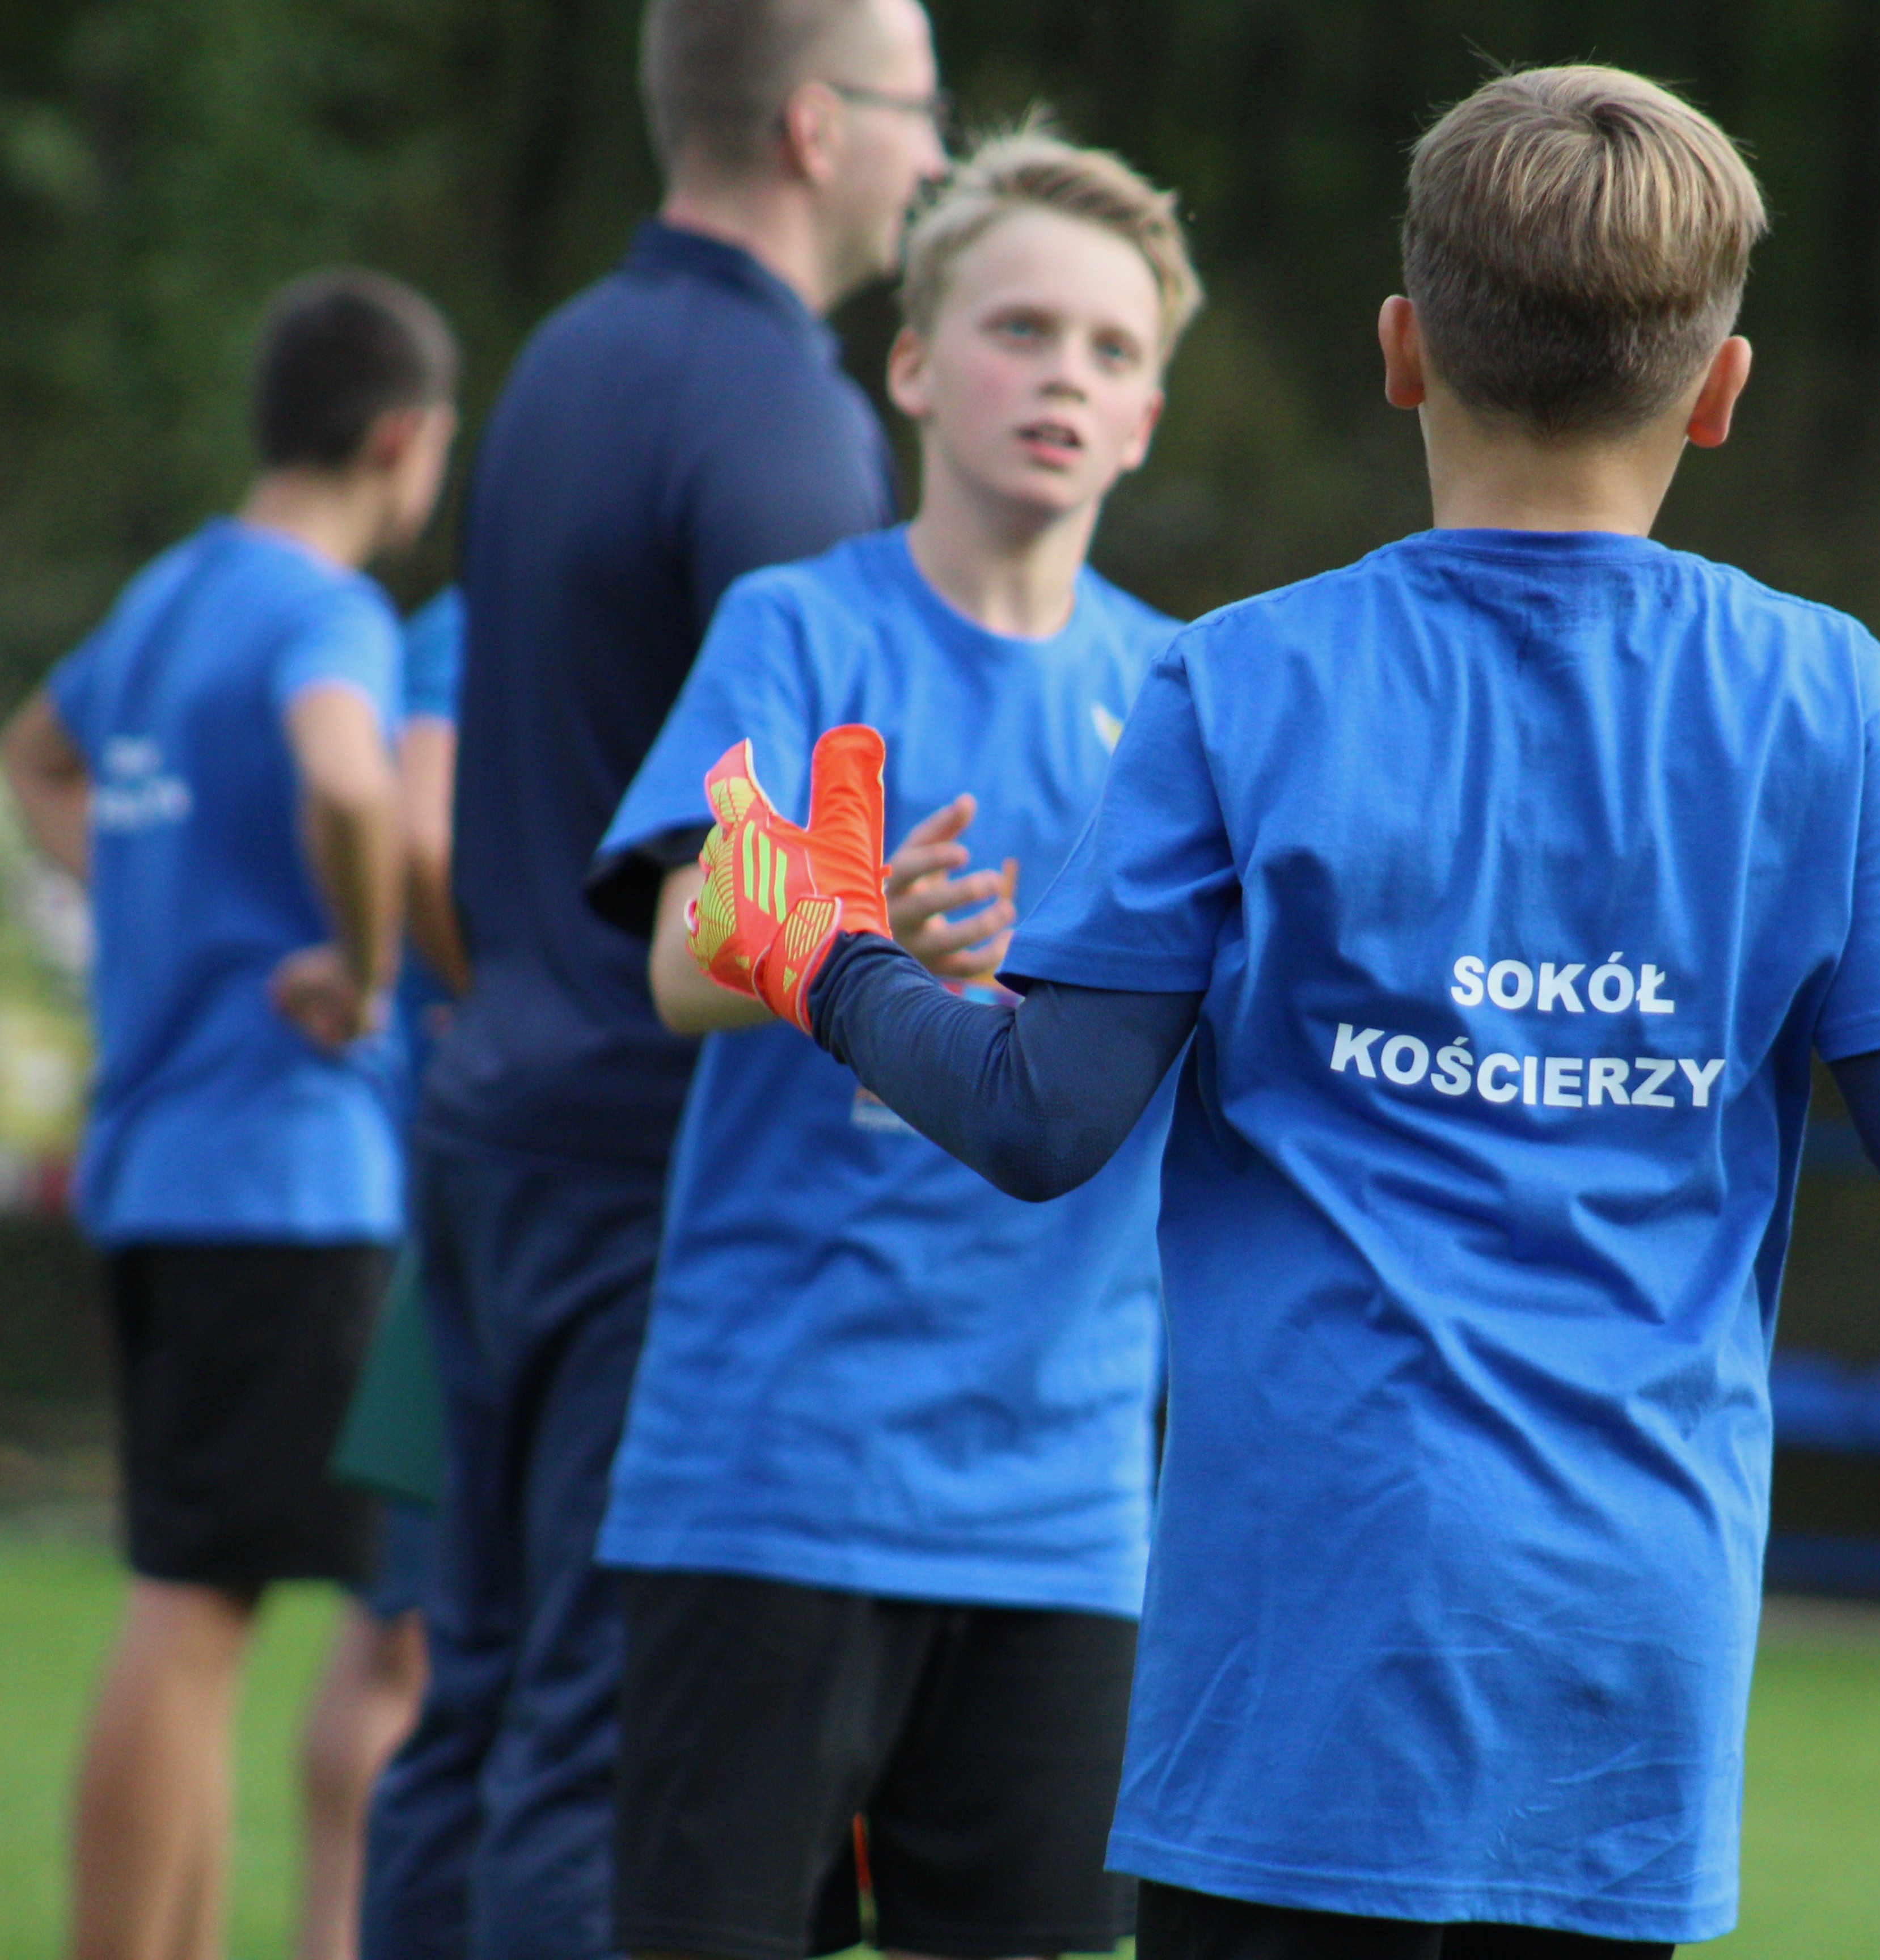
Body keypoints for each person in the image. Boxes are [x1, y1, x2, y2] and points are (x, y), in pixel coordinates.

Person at [681, 66, 1880, 1960]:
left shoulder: (1239, 681)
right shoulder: (1828, 699)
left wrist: (823, 955)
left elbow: (1035, 1114)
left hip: (1299, 1632)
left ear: (1402, 351)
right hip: (1621, 1648)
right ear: (1719, 391)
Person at [360, 0, 949, 1953]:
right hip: (643, 1165)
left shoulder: (567, 356)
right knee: (591, 1735)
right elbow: (799, 856)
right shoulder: (782, 415)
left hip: (488, 1119)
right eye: (915, 107)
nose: (935, 154)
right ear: (808, 126)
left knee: (469, 1697)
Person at [584, 129, 1201, 1960]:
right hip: (774, 1467)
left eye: (1106, 348)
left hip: (1066, 1500)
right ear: (916, 365)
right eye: (1020, 328)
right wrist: (854, 945)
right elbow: (684, 948)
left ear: (1148, 413)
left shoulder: (1186, 695)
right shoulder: (802, 627)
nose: (1062, 375)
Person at [0, 269, 459, 1960]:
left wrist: (143, 898)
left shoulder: (168, 594)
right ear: (404, 441)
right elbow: (353, 782)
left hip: (153, 1167)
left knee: (205, 1605)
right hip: (279, 1176)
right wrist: (360, 954)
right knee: (194, 1617)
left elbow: (33, 757)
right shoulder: (325, 611)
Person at [306, 582, 470, 1960]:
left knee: (413, 1637)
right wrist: (528, 1015)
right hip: (471, 1200)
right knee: (403, 1639)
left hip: (488, 1197)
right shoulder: (480, 627)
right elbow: (419, 832)